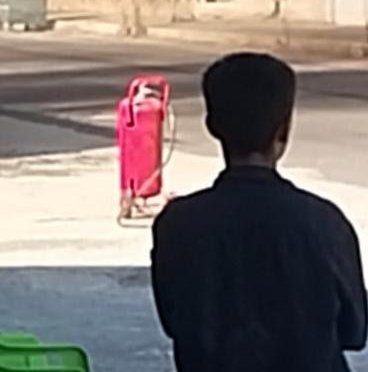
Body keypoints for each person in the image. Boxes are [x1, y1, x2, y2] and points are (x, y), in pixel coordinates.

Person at [152, 52, 366, 371]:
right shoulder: (323, 222)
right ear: (284, 129)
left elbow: (174, 321)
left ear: (211, 125)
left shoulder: (178, 224)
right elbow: (354, 330)